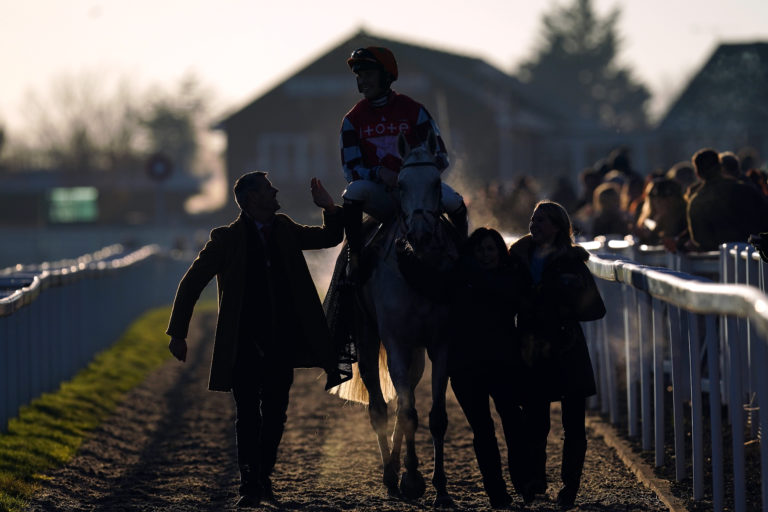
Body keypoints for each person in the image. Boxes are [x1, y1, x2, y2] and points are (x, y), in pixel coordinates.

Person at [166, 171, 345, 508]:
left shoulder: (285, 228)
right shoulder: (225, 240)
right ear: (251, 199)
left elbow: (329, 239)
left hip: (282, 342)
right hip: (243, 345)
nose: (275, 190)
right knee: (248, 415)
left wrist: (330, 208)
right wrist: (178, 332)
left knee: (276, 414)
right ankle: (250, 484)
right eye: (267, 188)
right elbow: (192, 282)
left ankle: (262, 475)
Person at [397, 227, 530, 508]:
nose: (485, 255)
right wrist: (405, 260)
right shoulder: (464, 278)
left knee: (513, 423)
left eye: (490, 249)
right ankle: (497, 491)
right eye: (480, 250)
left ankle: (521, 479)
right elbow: (431, 286)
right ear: (473, 253)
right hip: (467, 367)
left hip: (502, 364)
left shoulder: (507, 276)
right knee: (483, 430)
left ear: (499, 252)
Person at [509, 201, 606, 509]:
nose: (534, 224)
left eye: (541, 221)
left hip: (566, 347)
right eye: (533, 219)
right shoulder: (517, 260)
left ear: (557, 227)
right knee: (535, 420)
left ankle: (570, 486)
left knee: (573, 422)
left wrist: (561, 308)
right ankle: (536, 482)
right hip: (532, 348)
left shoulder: (573, 263)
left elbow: (596, 308)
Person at [339, 46, 467, 278]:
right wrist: (380, 174)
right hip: (381, 195)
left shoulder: (414, 110)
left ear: (386, 75)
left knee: (456, 203)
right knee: (352, 192)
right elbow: (351, 169)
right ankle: (354, 257)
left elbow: (441, 156)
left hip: (419, 193)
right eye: (359, 75)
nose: (362, 80)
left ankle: (467, 259)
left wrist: (416, 179)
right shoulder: (352, 120)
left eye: (368, 74)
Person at [685, 148, 768, 251]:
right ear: (720, 167)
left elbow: (699, 239)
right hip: (755, 257)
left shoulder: (696, 201)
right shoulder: (747, 190)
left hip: (717, 262)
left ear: (698, 174)